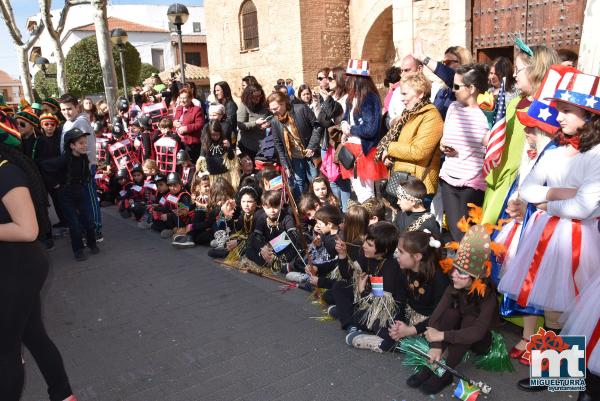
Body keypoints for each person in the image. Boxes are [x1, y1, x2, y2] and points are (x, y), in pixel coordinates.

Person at [499, 69, 600, 324]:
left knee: (578, 312)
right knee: (551, 313)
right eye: (559, 109)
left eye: (567, 110)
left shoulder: (596, 154)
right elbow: (529, 189)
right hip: (548, 234)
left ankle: (572, 363)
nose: (560, 116)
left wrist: (547, 204)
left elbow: (583, 208)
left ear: (589, 115)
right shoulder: (557, 149)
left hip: (583, 238)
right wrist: (558, 194)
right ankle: (554, 364)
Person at [0, 112, 77, 401]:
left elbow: (28, 229)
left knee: (5, 349)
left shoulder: (5, 171)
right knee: (33, 335)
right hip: (11, 266)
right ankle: (64, 395)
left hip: (19, 268)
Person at [411, 224, 501, 395]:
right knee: (451, 312)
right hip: (459, 327)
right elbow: (435, 318)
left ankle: (445, 370)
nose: (454, 276)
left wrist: (443, 335)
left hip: (480, 340)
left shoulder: (488, 297)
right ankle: (434, 361)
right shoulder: (454, 285)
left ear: (475, 279)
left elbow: (477, 333)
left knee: (469, 320)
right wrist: (436, 345)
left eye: (462, 274)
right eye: (454, 271)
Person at [481, 45, 560, 224]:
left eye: (518, 70)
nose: (514, 75)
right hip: (502, 178)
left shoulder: (551, 109)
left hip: (525, 185)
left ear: (536, 70)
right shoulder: (517, 102)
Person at [333, 221, 402, 353]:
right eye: (365, 241)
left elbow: (380, 304)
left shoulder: (391, 267)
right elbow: (347, 275)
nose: (363, 246)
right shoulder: (367, 255)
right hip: (369, 299)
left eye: (369, 244)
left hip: (385, 311)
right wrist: (342, 254)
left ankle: (348, 317)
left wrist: (362, 290)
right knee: (339, 287)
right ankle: (349, 320)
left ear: (384, 250)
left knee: (377, 325)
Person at [438, 63, 490, 242]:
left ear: (472, 88)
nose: (453, 90)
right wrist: (443, 146)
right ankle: (462, 269)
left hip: (472, 182)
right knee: (456, 232)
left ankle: (471, 269)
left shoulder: (487, 115)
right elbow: (444, 138)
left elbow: (492, 148)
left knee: (468, 234)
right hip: (448, 179)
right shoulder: (453, 108)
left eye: (457, 86)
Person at [378, 72, 443, 196]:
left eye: (405, 94)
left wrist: (389, 148)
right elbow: (403, 142)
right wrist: (389, 156)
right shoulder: (408, 114)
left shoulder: (431, 116)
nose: (402, 98)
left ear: (421, 93)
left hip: (419, 184)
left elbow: (419, 152)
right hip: (403, 179)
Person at [41, 128, 99, 261]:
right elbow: (44, 166)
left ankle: (92, 244)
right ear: (72, 145)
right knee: (74, 225)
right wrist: (54, 183)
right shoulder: (64, 159)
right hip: (66, 195)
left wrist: (87, 177)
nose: (84, 145)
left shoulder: (84, 157)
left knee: (89, 221)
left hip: (80, 192)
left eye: (85, 142)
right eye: (80, 143)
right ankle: (78, 250)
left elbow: (85, 174)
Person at [339, 59, 388, 202]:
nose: (347, 80)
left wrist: (350, 130)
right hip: (352, 148)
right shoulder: (351, 97)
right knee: (360, 192)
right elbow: (346, 116)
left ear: (358, 79)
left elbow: (370, 129)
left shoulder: (369, 98)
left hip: (363, 150)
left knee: (366, 194)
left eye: (349, 77)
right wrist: (343, 126)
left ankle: (371, 221)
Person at [388, 230, 450, 342]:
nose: (396, 254)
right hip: (409, 317)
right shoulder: (404, 270)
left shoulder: (439, 279)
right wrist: (398, 324)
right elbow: (400, 300)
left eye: (401, 252)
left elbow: (439, 315)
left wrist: (410, 330)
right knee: (384, 327)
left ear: (417, 256)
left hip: (430, 324)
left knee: (426, 344)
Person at [59, 94, 102, 242]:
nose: (66, 112)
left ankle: (96, 229)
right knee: (83, 200)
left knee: (90, 199)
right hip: (74, 168)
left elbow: (87, 147)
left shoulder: (81, 122)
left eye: (69, 108)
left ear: (77, 107)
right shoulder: (67, 123)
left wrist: (85, 165)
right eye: (63, 109)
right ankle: (87, 228)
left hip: (86, 166)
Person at [269, 91, 321, 198]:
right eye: (271, 109)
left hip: (310, 153)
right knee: (299, 181)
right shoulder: (274, 121)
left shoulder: (301, 109)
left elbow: (317, 126)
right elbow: (278, 145)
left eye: (276, 108)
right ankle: (302, 207)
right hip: (294, 157)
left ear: (283, 103)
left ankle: (318, 204)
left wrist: (312, 146)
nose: (273, 111)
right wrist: (285, 165)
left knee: (315, 179)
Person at [415, 45, 473, 119]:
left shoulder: (464, 87)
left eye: (448, 62)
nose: (445, 65)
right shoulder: (442, 91)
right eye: (443, 63)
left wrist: (422, 57)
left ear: (463, 63)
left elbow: (448, 74)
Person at [237, 84, 269, 159]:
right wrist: (255, 123)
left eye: (260, 96)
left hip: (262, 145)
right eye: (255, 96)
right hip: (247, 146)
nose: (258, 98)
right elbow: (240, 125)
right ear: (249, 96)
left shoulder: (264, 105)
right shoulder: (244, 105)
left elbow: (271, 117)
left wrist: (268, 123)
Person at [173, 88, 205, 162]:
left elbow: (200, 124)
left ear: (190, 98)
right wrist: (174, 123)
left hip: (191, 144)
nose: (182, 100)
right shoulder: (179, 108)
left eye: (184, 98)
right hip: (179, 142)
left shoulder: (196, 109)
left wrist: (186, 128)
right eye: (181, 98)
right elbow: (174, 120)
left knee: (192, 164)